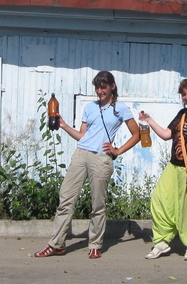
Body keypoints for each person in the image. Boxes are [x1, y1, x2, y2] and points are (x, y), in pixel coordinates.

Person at [34, 71, 140, 259]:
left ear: (112, 87)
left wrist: (117, 151)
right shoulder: (90, 107)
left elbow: (136, 135)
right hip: (81, 154)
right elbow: (83, 135)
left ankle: (95, 244)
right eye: (97, 87)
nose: (100, 91)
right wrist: (65, 126)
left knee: (98, 204)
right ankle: (56, 244)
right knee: (66, 198)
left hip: (101, 158)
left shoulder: (121, 109)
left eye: (103, 87)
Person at [139, 78, 187, 261]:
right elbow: (167, 134)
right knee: (160, 199)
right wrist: (149, 120)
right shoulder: (182, 113)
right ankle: (163, 241)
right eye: (184, 94)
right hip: (174, 166)